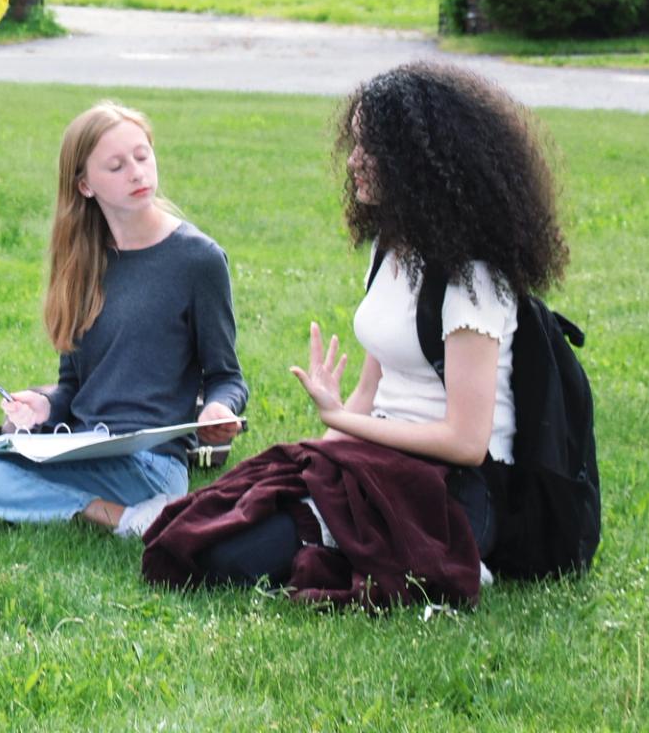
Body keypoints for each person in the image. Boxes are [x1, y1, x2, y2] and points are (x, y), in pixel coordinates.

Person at [146, 64, 566, 594]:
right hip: (377, 460)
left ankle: (442, 559)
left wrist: (345, 422)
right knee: (199, 529)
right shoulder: (391, 247)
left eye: (370, 149)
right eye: (356, 144)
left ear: (417, 162)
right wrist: (318, 459)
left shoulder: (472, 281)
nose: (354, 162)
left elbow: (465, 441)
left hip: (449, 492)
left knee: (231, 563)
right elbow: (371, 390)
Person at [0, 102, 247, 536]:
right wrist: (45, 404)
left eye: (142, 156)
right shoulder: (80, 262)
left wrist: (221, 409)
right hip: (79, 447)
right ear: (85, 185)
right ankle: (97, 510)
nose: (137, 173)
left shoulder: (198, 259)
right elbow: (74, 386)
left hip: (150, 464)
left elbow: (227, 375)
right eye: (116, 166)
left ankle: (115, 514)